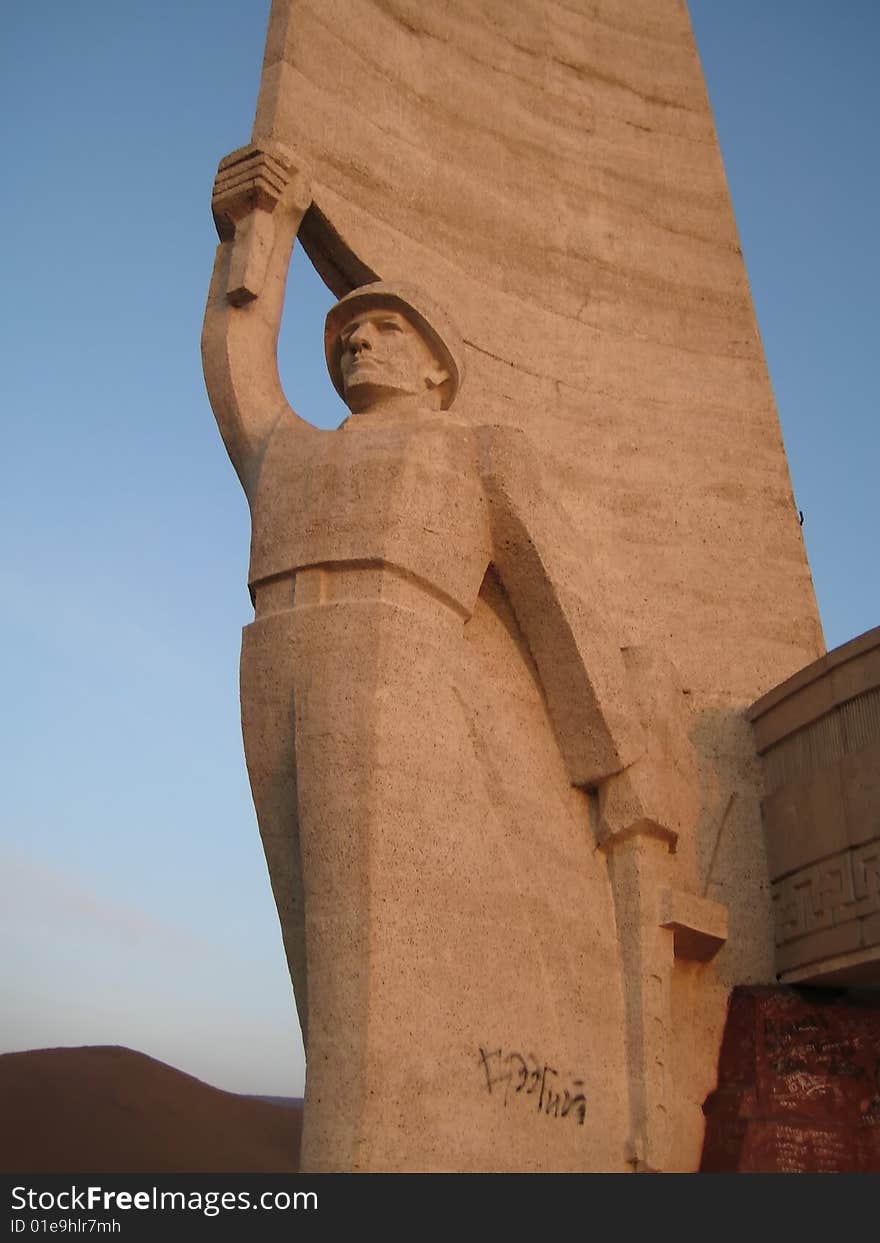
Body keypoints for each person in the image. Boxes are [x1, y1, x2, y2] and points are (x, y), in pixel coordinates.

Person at [203, 145, 677, 1172]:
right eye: (346, 333)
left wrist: (623, 779)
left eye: (384, 329)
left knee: (374, 953)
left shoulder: (473, 450)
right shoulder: (293, 451)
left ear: (434, 366)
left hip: (400, 646)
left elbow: (559, 611)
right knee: (319, 951)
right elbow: (238, 370)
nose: (359, 342)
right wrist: (257, 236)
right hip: (276, 652)